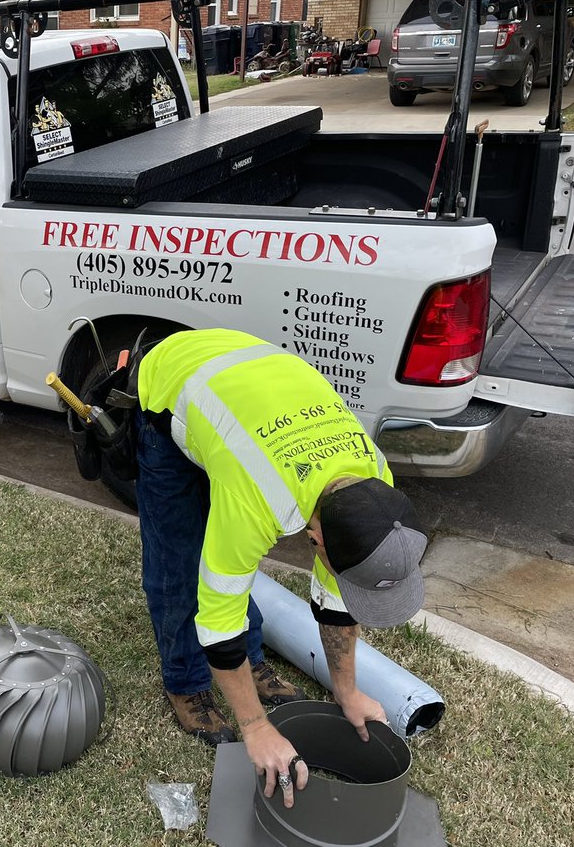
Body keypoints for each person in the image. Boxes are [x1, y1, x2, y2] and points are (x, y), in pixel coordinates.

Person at [134, 328, 428, 808]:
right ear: (313, 540)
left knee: (232, 561)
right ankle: (186, 682)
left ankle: (251, 661)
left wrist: (348, 692)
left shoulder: (373, 485)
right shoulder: (259, 500)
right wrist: (255, 728)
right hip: (171, 385)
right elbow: (218, 614)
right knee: (181, 560)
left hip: (251, 392)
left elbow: (337, 600)